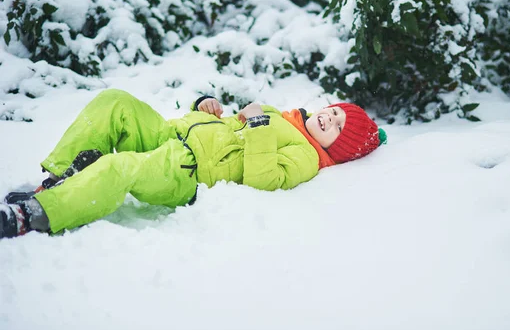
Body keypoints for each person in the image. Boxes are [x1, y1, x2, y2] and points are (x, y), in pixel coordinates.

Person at [0, 89, 386, 239]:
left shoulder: (306, 156)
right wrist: (205, 108)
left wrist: (257, 123)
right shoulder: (287, 117)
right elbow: (227, 130)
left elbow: (264, 179)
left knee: (121, 168)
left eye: (337, 128)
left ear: (338, 150)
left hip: (187, 169)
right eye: (334, 113)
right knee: (114, 103)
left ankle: (34, 214)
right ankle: (58, 178)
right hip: (173, 132)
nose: (329, 120)